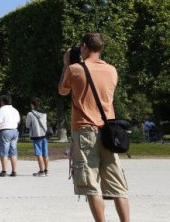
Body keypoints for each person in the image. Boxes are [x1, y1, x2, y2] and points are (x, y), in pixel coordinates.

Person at [59, 32, 130, 222]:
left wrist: (67, 63)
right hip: (109, 132)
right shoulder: (112, 70)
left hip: (84, 131)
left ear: (84, 47)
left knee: (91, 184)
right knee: (118, 186)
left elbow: (63, 90)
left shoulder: (75, 69)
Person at [0, 94, 20, 177]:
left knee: (4, 152)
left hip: (5, 131)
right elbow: (18, 121)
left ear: (3, 101)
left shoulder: (1, 110)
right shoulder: (15, 110)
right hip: (14, 130)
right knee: (13, 152)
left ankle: (4, 171)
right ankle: (14, 171)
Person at [25, 97, 50, 177]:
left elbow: (27, 125)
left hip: (36, 135)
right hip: (44, 134)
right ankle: (46, 170)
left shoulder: (30, 114)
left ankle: (41, 171)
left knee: (39, 153)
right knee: (45, 153)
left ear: (32, 105)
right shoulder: (44, 113)